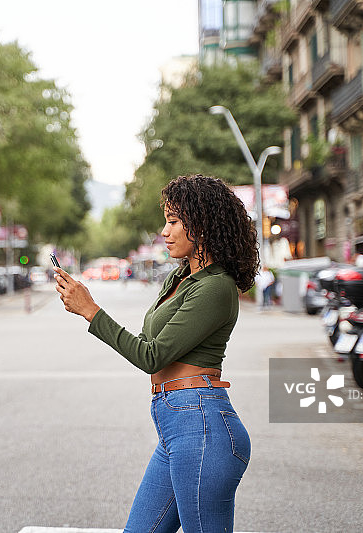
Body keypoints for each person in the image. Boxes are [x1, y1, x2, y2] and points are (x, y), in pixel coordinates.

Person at [54, 174, 256, 533]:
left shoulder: (216, 287)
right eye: (166, 220)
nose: (164, 231)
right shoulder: (178, 281)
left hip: (202, 426)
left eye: (174, 221)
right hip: (176, 427)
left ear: (204, 225)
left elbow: (150, 356)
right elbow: (147, 341)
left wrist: (91, 310)